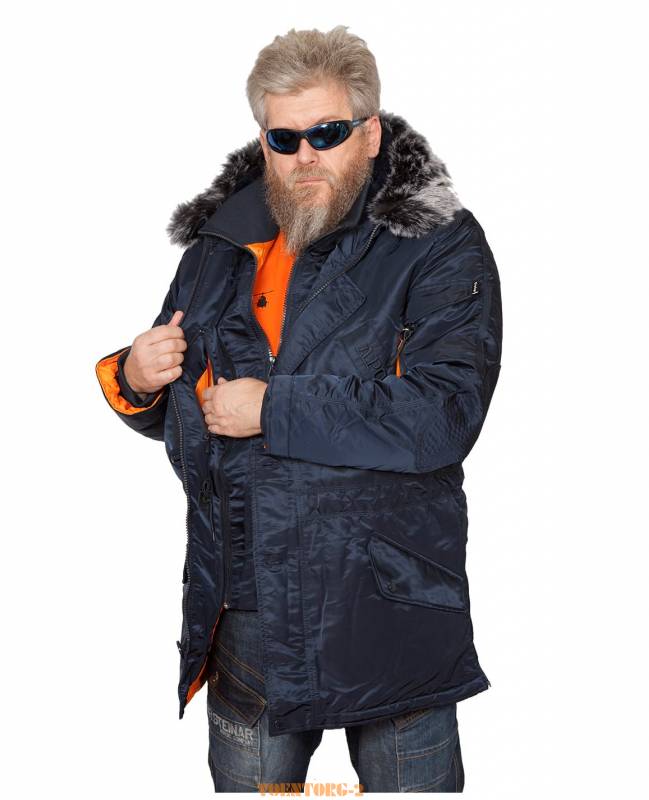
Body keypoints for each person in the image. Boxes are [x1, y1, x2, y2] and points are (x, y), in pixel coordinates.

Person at [95, 24, 502, 793]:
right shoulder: (220, 246)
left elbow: (444, 414)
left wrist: (275, 409)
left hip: (386, 606)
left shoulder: (435, 240)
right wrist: (137, 377)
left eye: (328, 132)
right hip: (246, 606)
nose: (305, 155)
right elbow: (195, 411)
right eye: (284, 139)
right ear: (263, 141)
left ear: (370, 132)